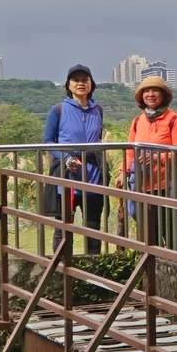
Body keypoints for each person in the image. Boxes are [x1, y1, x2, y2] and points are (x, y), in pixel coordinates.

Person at [114, 76, 177, 249]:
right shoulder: (137, 121)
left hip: (165, 185)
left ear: (163, 94)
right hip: (141, 185)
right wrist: (122, 172)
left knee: (169, 230)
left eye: (155, 90)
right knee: (146, 232)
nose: (151, 94)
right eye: (146, 91)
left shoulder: (173, 120)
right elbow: (130, 151)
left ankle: (176, 267)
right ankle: (151, 270)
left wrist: (158, 157)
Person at [42, 64, 107, 255]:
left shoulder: (98, 110)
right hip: (67, 178)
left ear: (91, 84)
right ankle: (61, 269)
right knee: (63, 228)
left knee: (93, 227)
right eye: (76, 80)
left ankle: (94, 271)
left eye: (85, 80)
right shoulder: (59, 109)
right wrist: (67, 159)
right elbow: (48, 141)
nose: (81, 84)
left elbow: (98, 139)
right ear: (69, 85)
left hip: (93, 176)